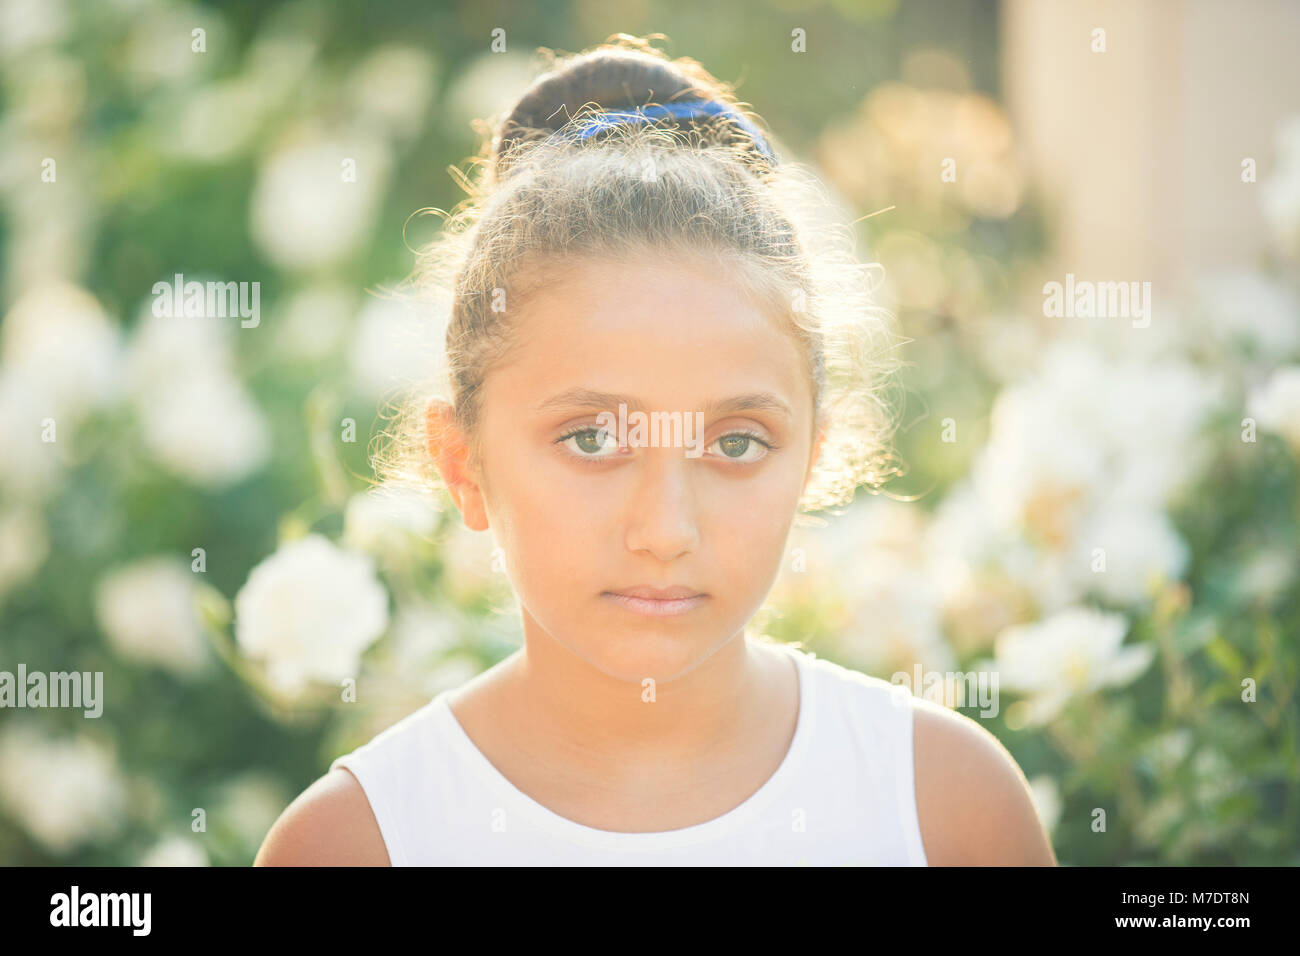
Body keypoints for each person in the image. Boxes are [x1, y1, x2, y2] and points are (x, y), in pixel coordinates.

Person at [255, 33, 1057, 866]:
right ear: (464, 464)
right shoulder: (356, 843)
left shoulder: (944, 806)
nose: (666, 529)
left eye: (737, 442)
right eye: (593, 439)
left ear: (816, 456)